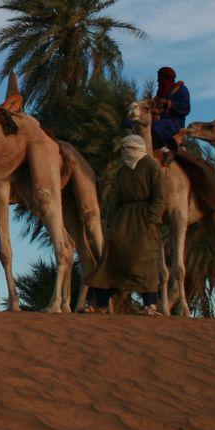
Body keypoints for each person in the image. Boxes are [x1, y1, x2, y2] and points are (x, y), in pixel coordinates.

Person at [83, 134, 166, 314]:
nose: (123, 152)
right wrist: (111, 223)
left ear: (135, 149)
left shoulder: (152, 166)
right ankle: (101, 303)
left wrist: (152, 217)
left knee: (145, 259)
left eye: (126, 148)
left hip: (144, 219)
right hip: (124, 220)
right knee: (111, 257)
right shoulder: (123, 170)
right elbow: (117, 198)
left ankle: (150, 305)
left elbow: (160, 196)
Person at [150, 66, 191, 152]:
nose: (158, 81)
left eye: (160, 78)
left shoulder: (181, 89)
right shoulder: (160, 93)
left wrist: (167, 103)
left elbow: (186, 108)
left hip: (174, 124)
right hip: (159, 121)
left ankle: (163, 146)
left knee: (154, 125)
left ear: (167, 78)